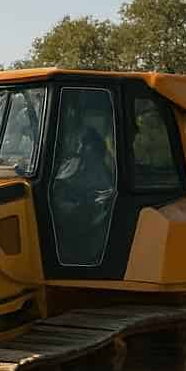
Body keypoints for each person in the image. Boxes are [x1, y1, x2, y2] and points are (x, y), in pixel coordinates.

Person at [49, 98, 117, 266]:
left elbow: (106, 194)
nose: (79, 149)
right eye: (79, 144)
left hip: (91, 224)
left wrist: (86, 202)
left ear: (94, 147)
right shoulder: (72, 164)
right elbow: (57, 186)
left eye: (84, 144)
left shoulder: (101, 168)